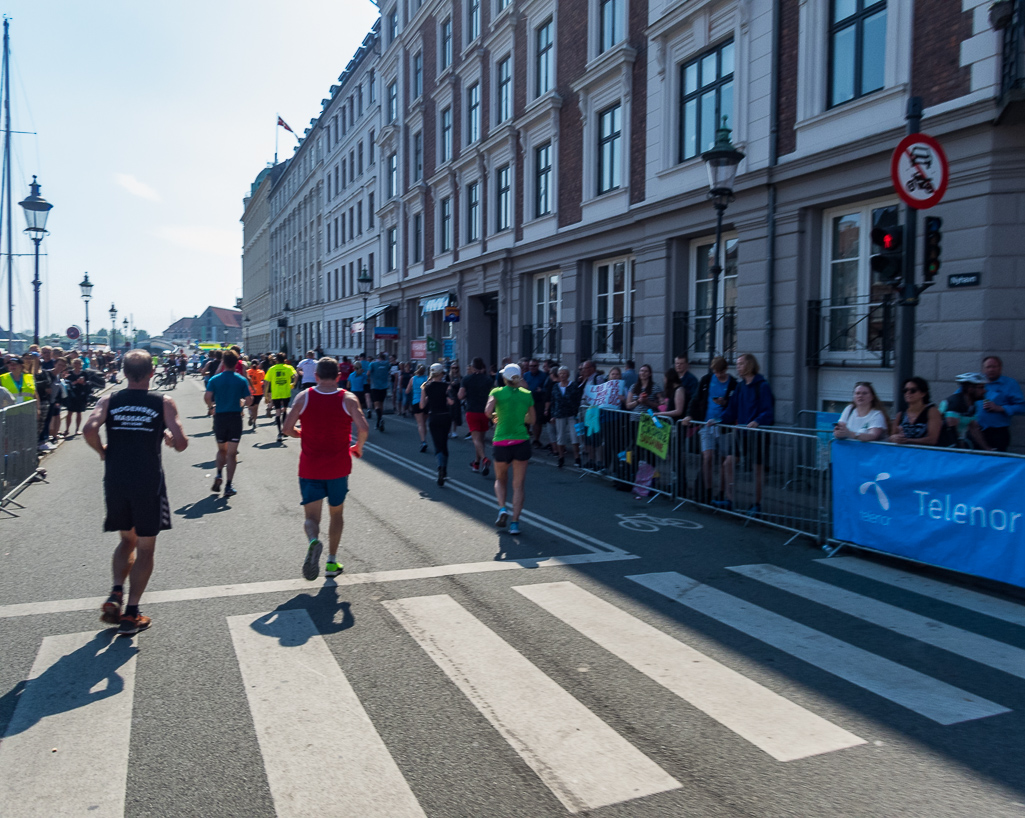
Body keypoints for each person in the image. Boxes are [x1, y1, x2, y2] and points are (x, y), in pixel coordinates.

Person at [82, 350, 188, 636]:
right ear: (152, 373)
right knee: (146, 548)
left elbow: (89, 428)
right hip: (147, 480)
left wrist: (102, 451)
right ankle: (131, 613)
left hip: (116, 478)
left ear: (124, 372)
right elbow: (181, 443)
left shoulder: (110, 400)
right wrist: (168, 437)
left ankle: (116, 591)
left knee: (126, 540)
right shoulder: (162, 401)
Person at [282, 357, 369, 580]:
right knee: (336, 513)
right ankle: (331, 561)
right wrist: (357, 447)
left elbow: (286, 428)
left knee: (311, 518)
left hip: (310, 467)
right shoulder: (348, 399)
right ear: (339, 377)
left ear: (316, 376)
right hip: (338, 468)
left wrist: (300, 433)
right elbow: (363, 428)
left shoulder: (305, 396)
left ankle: (313, 541)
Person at [718, 353, 774, 514]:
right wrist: (718, 420)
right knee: (728, 463)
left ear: (749, 365)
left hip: (757, 434)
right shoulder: (740, 386)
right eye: (737, 364)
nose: (738, 367)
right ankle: (730, 499)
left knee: (757, 469)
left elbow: (768, 411)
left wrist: (758, 421)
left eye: (741, 364)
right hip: (741, 432)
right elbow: (732, 409)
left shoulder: (762, 386)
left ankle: (757, 504)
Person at [486, 363, 535, 535]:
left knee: (500, 480)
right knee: (518, 485)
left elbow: (487, 411)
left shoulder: (497, 392)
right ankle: (515, 524)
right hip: (521, 441)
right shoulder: (527, 394)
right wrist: (522, 417)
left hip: (501, 442)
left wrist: (494, 416)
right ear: (519, 377)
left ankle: (502, 509)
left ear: (504, 378)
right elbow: (533, 420)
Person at [684, 356, 737, 503]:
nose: (717, 375)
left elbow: (734, 404)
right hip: (706, 424)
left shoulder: (732, 383)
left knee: (722, 461)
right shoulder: (707, 380)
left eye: (720, 372)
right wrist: (689, 414)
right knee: (707, 457)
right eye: (715, 372)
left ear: (726, 370)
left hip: (724, 426)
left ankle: (721, 492)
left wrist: (724, 402)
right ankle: (707, 492)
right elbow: (696, 398)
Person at [205, 350, 253, 496]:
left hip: (220, 417)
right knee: (231, 454)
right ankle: (228, 485)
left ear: (223, 363)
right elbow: (250, 401)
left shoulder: (215, 379)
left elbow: (207, 397)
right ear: (236, 362)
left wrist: (211, 407)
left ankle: (219, 473)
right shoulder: (241, 380)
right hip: (235, 418)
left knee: (221, 450)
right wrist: (243, 403)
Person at [977, 356, 1025, 452]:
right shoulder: (975, 382)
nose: (991, 369)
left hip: (997, 433)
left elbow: (1022, 407)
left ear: (1000, 368)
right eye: (988, 367)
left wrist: (1000, 408)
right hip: (976, 431)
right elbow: (958, 398)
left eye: (994, 367)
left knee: (996, 461)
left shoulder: (1010, 384)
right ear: (983, 369)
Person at [459, 357, 494, 475]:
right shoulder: (488, 379)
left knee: (475, 439)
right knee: (481, 440)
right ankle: (476, 463)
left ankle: (484, 459)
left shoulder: (467, 379)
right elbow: (493, 394)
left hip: (472, 411)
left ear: (473, 367)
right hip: (485, 411)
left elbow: (460, 395)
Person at [421, 363, 454, 485]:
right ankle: (444, 469)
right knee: (444, 443)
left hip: (433, 416)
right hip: (445, 416)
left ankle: (439, 466)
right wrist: (446, 396)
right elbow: (451, 402)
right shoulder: (446, 386)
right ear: (441, 374)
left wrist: (428, 398)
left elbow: (422, 405)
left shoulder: (426, 387)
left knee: (437, 444)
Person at [937, 374, 990, 449]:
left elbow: (974, 429)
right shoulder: (955, 403)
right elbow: (952, 430)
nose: (984, 391)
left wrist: (987, 449)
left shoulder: (972, 405)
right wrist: (960, 448)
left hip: (956, 443)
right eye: (981, 387)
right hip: (943, 444)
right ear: (970, 389)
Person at [890, 376, 942, 446]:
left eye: (913, 390)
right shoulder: (900, 415)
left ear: (923, 393)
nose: (908, 393)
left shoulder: (932, 411)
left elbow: (932, 439)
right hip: (904, 454)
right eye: (905, 390)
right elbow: (891, 436)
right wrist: (894, 438)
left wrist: (907, 441)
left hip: (926, 454)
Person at [547, 366, 582, 468]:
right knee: (560, 436)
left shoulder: (573, 385)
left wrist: (576, 411)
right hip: (559, 413)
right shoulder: (555, 386)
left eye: (564, 373)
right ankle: (561, 457)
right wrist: (552, 415)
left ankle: (577, 457)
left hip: (571, 413)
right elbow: (553, 401)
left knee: (574, 435)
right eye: (560, 373)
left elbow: (577, 399)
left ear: (568, 375)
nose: (562, 375)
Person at [265, 352, 297, 441]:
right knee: (285, 411)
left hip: (276, 393)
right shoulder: (289, 367)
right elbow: (296, 376)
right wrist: (293, 384)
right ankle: (285, 430)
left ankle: (279, 433)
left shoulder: (272, 369)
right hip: (286, 392)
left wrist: (266, 395)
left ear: (277, 360)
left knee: (278, 413)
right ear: (285, 360)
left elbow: (266, 382)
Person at [367, 352, 392, 431]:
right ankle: (378, 422)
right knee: (381, 404)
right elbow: (389, 370)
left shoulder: (373, 364)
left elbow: (368, 373)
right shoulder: (387, 364)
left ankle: (380, 419)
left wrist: (369, 379)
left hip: (375, 386)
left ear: (378, 358)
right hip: (384, 386)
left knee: (376, 405)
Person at [407, 364, 429, 452]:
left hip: (416, 401)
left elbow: (407, 390)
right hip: (426, 402)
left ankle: (423, 441)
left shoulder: (413, 379)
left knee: (420, 424)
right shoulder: (427, 379)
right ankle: (424, 439)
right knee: (424, 423)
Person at [246, 359, 266, 429]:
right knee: (256, 408)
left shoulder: (247, 372)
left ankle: (251, 415)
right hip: (259, 392)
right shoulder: (261, 372)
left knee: (250, 407)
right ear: (258, 365)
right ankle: (254, 422)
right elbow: (263, 381)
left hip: (250, 391)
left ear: (251, 365)